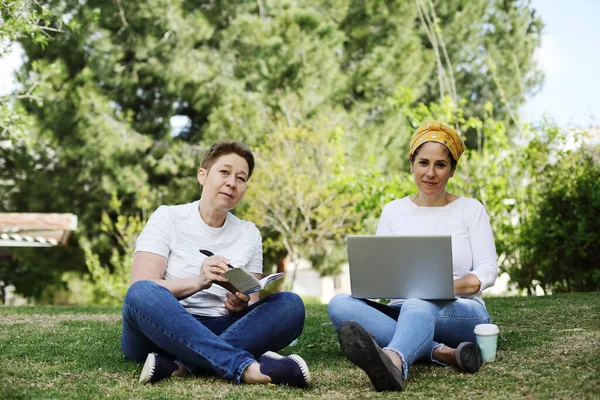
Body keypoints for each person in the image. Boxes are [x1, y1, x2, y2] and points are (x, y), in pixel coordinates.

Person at [121, 141, 310, 388]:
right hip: (162, 327)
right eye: (224, 172)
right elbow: (142, 288)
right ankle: (247, 368)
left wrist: (238, 304)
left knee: (291, 305)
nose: (232, 182)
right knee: (141, 293)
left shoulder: (249, 233)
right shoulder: (167, 217)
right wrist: (199, 282)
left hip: (221, 325)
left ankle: (182, 366)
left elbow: (251, 304)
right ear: (202, 175)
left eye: (241, 178)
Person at [328, 121, 498, 392]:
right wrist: (373, 283)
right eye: (423, 163)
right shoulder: (394, 211)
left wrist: (440, 289)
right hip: (402, 310)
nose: (430, 173)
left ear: (451, 170)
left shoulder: (470, 209)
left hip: (462, 312)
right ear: (412, 164)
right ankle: (443, 353)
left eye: (440, 165)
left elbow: (487, 271)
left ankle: (395, 360)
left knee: (419, 299)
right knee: (339, 305)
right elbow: (382, 270)